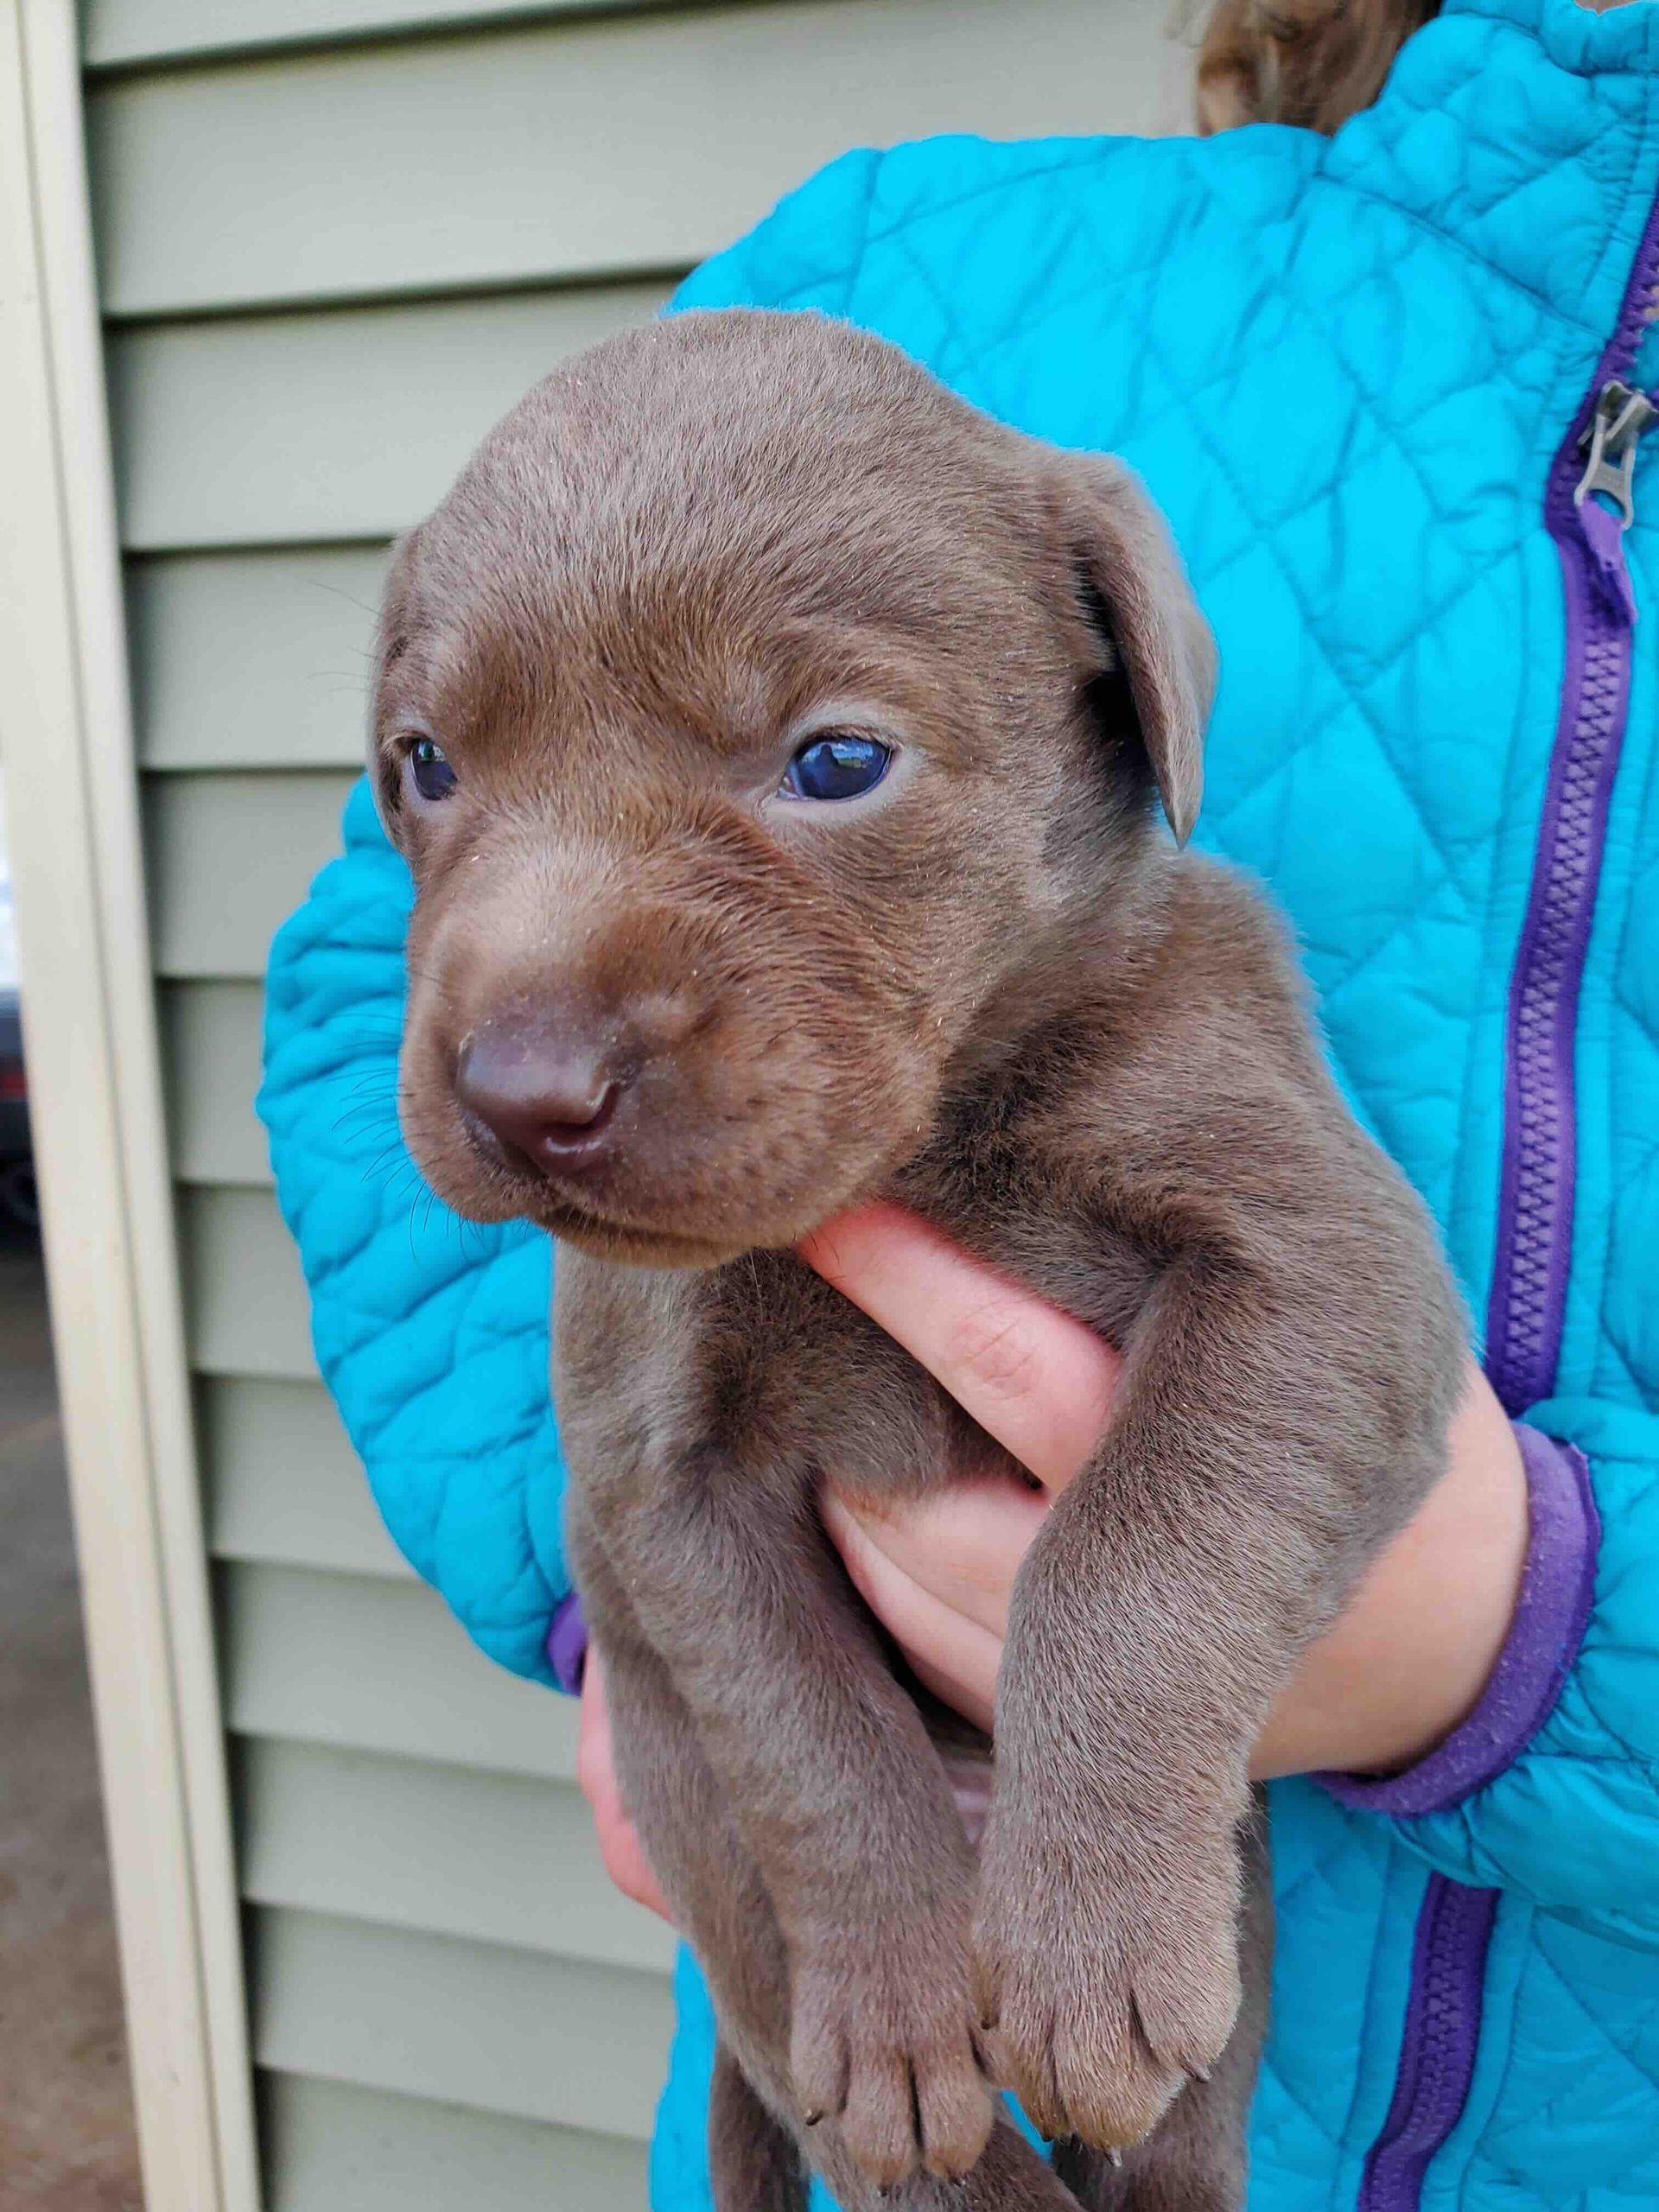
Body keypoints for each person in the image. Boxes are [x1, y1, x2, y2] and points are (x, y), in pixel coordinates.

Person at [258, 0, 1659, 2204]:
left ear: (1135, 715)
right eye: (441, 763)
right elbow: (374, 990)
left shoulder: (1167, 999)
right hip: (810, 1851)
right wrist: (644, 1642)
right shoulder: (903, 265)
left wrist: (1521, 1638)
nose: (529, 1023)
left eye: (829, 765)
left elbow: (1317, 1302)